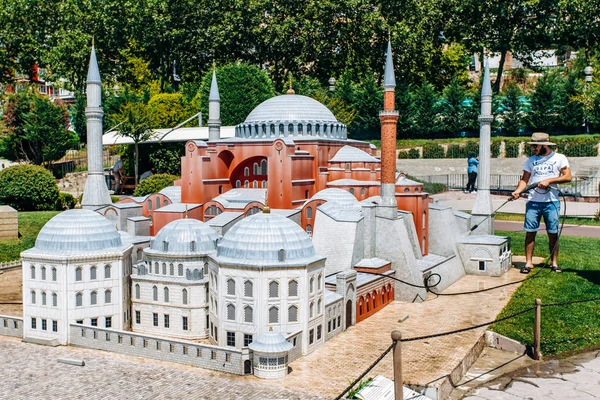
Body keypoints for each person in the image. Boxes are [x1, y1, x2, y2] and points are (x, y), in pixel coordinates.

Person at [511, 132, 572, 274]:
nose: (533, 148)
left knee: (553, 233)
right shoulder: (531, 160)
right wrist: (518, 191)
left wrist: (549, 180)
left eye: (535, 146)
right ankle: (528, 263)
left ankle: (554, 263)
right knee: (530, 232)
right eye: (532, 146)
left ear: (545, 145)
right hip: (533, 202)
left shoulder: (559, 158)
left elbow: (568, 176)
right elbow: (524, 180)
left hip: (552, 202)